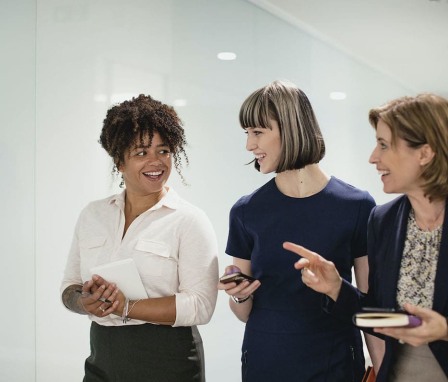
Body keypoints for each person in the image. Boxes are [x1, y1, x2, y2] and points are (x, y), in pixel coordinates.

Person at [218, 80, 384, 381]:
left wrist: (383, 371)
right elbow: (244, 313)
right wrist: (240, 295)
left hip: (336, 364)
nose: (249, 145)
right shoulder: (245, 211)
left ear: (290, 127)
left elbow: (370, 306)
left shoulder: (357, 206)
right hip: (265, 362)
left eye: (257, 132)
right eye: (247, 133)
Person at [284, 93, 448, 381]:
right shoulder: (383, 220)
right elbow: (381, 317)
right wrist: (337, 288)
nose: (374, 157)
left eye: (384, 145)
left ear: (425, 152)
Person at [60, 94, 219, 382]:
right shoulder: (92, 215)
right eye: (141, 153)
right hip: (101, 359)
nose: (156, 162)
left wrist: (127, 307)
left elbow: (201, 305)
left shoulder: (189, 220)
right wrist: (84, 302)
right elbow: (68, 288)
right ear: (119, 161)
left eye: (164, 151)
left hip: (167, 361)